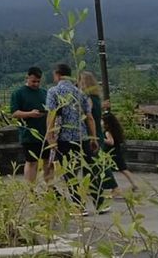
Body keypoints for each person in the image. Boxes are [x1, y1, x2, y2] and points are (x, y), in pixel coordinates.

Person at [46, 63, 104, 215]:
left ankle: (79, 206)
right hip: (83, 137)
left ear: (57, 74)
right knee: (89, 168)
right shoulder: (81, 93)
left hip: (64, 138)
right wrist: (93, 137)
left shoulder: (54, 91)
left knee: (69, 172)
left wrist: (50, 136)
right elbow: (89, 117)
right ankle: (100, 203)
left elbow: (52, 114)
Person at [9, 66, 49, 183]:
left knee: (48, 161)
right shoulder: (18, 93)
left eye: (38, 81)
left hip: (45, 133)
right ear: (27, 78)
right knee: (32, 162)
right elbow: (14, 113)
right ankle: (30, 190)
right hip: (29, 134)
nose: (36, 84)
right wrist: (29, 114)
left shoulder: (44, 93)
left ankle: (50, 188)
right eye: (33, 81)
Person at [78, 71, 108, 200]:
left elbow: (88, 117)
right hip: (98, 132)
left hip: (91, 134)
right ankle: (90, 187)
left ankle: (109, 187)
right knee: (94, 162)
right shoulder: (96, 98)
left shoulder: (86, 98)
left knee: (93, 163)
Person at [101, 112, 139, 195]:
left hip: (112, 154)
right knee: (123, 169)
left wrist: (101, 139)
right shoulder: (115, 130)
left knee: (108, 170)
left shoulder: (108, 132)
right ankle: (134, 184)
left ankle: (113, 187)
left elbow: (111, 142)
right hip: (117, 152)